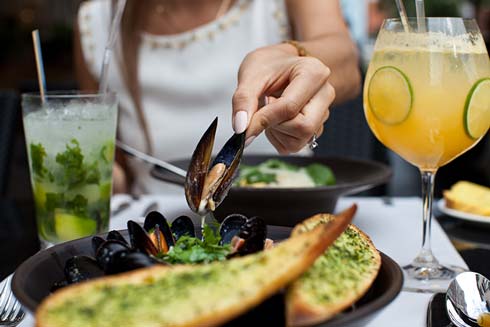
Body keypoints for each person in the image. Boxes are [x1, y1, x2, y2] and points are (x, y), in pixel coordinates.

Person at [75, 0, 361, 194]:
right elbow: (114, 165)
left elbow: (347, 61)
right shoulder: (96, 21)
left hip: (286, 217)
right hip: (156, 233)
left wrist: (292, 57)